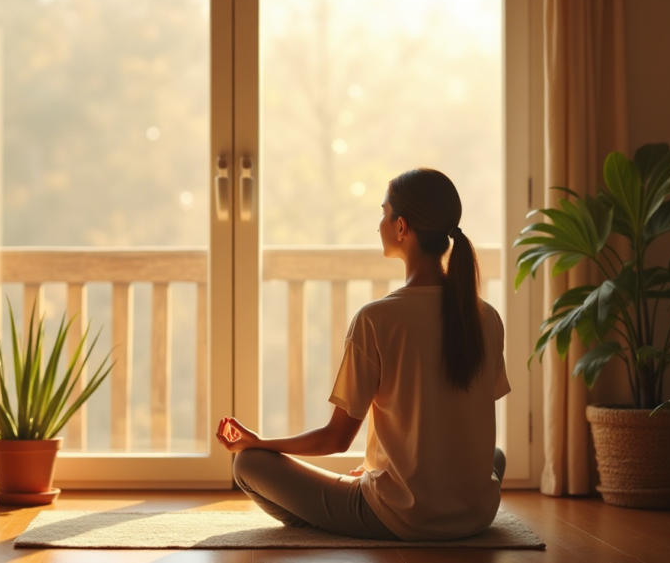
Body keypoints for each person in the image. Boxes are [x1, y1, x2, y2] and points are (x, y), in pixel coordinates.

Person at [215, 168, 510, 541]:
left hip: (404, 517)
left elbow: (335, 439)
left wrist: (259, 443)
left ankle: (336, 519)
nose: (379, 224)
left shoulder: (376, 319)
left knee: (248, 464)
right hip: (476, 514)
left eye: (384, 213)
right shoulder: (486, 316)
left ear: (401, 227)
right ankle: (373, 496)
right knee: (495, 456)